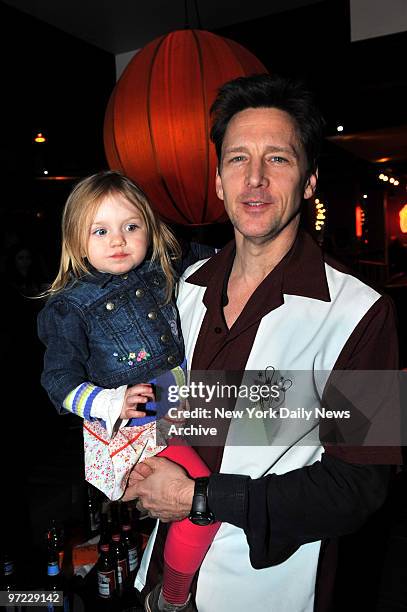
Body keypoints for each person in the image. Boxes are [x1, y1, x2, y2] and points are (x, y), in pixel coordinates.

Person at [122, 74, 402, 612]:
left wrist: (198, 498)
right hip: (160, 574)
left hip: (266, 588)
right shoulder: (180, 290)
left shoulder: (362, 313)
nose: (254, 179)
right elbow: (166, 412)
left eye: (277, 159)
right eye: (236, 160)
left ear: (310, 180)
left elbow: (361, 485)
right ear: (220, 182)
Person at [37, 170, 220, 612]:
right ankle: (172, 597)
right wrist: (110, 401)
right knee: (203, 506)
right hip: (134, 425)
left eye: (131, 227)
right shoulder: (70, 305)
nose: (118, 240)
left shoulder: (160, 267)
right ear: (77, 241)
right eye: (100, 230)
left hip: (175, 405)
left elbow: (220, 257)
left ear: (150, 229)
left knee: (205, 496)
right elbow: (56, 381)